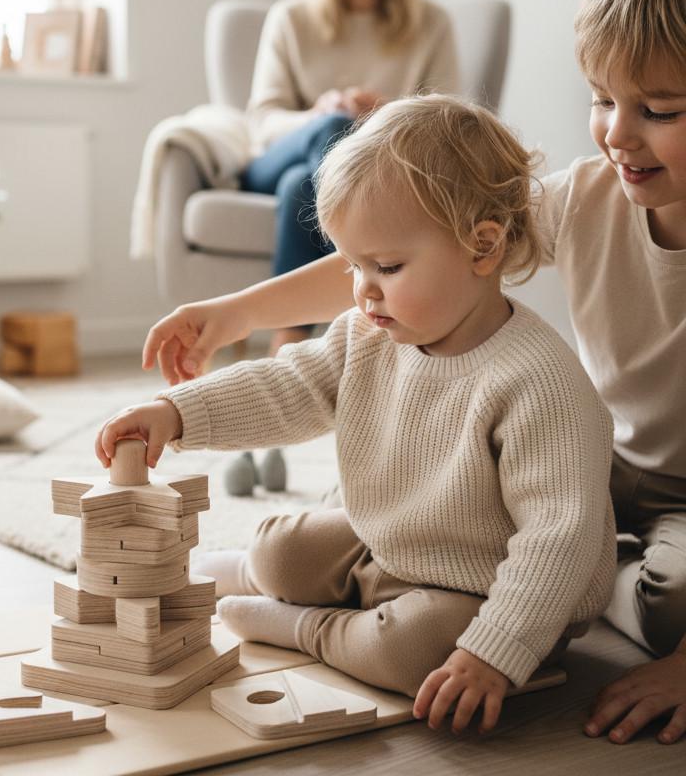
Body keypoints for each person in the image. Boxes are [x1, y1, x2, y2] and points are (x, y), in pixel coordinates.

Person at [141, 0, 686, 746]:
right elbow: (410, 246)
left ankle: (567, 575)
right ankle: (543, 566)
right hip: (601, 463)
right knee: (415, 512)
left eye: (659, 110)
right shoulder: (588, 194)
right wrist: (238, 315)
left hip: (663, 504)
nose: (617, 133)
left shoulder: (535, 379)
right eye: (603, 100)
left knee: (664, 601)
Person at [98, 95, 616, 735]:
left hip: (488, 593)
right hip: (392, 548)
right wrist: (174, 413)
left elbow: (557, 542)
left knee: (413, 653)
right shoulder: (367, 334)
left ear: (483, 249)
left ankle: (304, 627)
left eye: (388, 267)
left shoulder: (539, 382)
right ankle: (259, 574)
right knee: (282, 545)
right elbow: (284, 387)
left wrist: (493, 653)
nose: (363, 289)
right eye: (354, 265)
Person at [241, 0, 459, 354]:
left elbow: (451, 127)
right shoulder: (291, 18)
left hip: (355, 171)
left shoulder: (431, 26)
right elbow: (261, 123)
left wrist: (386, 114)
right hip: (281, 151)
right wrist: (320, 115)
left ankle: (288, 344)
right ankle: (367, 261)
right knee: (332, 132)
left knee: (300, 186)